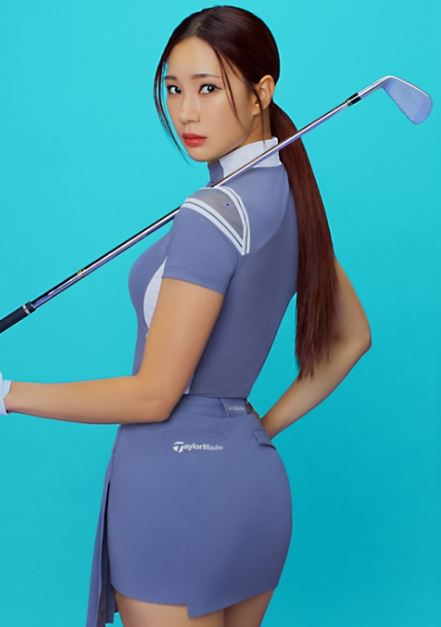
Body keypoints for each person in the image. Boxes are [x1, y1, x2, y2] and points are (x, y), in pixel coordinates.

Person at [1, 5, 372, 627]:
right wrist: (260, 427)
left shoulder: (211, 213)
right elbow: (354, 338)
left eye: (208, 88)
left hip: (173, 491)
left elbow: (154, 396)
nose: (186, 113)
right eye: (174, 90)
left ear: (262, 93)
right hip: (251, 488)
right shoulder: (295, 199)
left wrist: (7, 394)